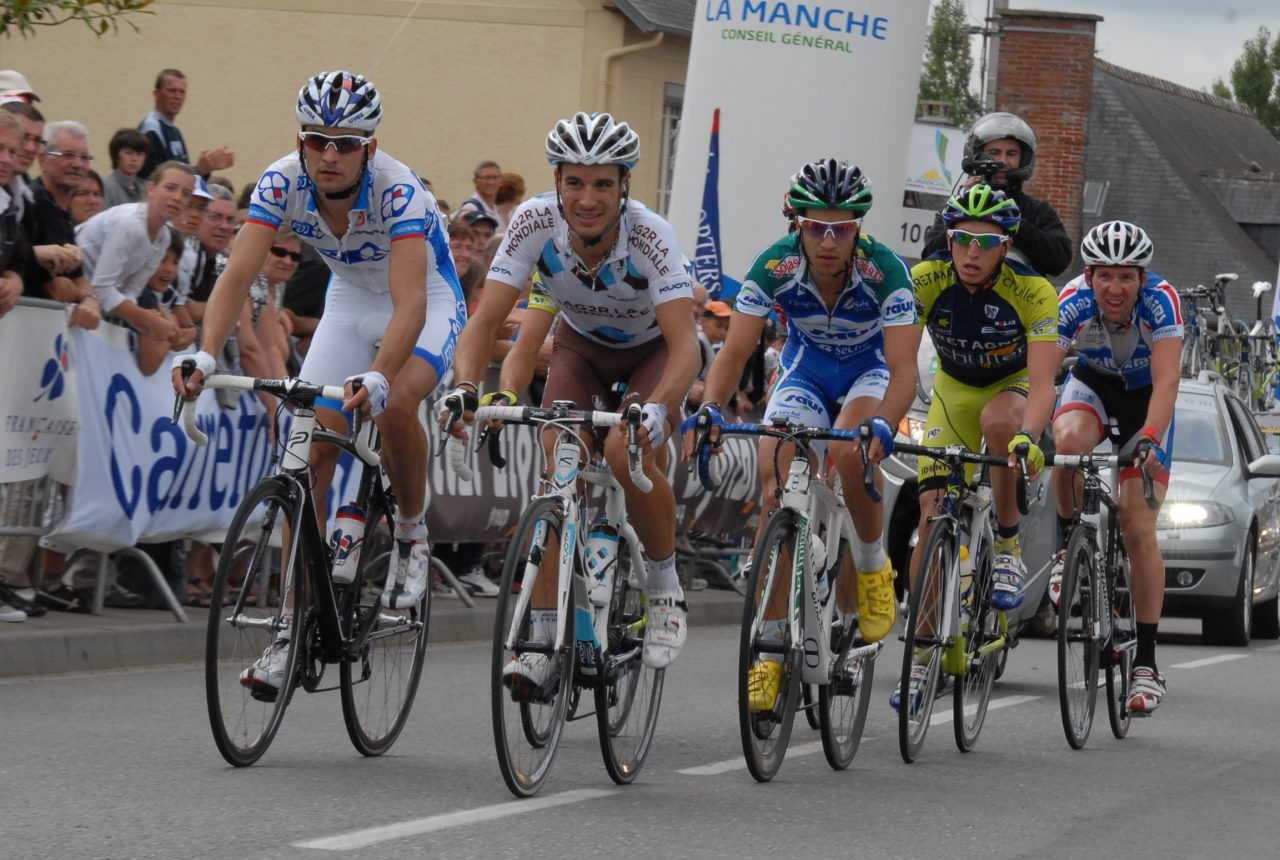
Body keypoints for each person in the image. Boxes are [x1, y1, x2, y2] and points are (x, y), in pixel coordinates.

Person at [172, 70, 463, 697]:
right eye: (318, 140)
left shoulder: (399, 192)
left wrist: (382, 375)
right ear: (300, 141)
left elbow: (412, 304)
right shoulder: (282, 180)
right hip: (349, 301)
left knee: (397, 403)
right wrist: (202, 349)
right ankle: (290, 628)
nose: (330, 154)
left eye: (346, 142)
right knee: (307, 448)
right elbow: (236, 275)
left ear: (370, 149)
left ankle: (411, 531)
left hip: (424, 301)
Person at [443, 111, 698, 686]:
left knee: (622, 453)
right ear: (556, 180)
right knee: (557, 465)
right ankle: (540, 632)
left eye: (603, 183)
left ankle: (663, 586)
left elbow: (688, 350)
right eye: (575, 182)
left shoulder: (651, 234)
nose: (587, 198)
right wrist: (468, 389)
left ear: (624, 184)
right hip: (580, 350)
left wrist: (658, 407)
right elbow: (485, 323)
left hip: (651, 354)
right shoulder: (533, 222)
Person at [687, 159, 918, 711]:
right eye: (817, 226)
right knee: (774, 477)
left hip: (869, 371)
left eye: (842, 226)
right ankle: (767, 654)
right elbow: (735, 350)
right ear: (798, 222)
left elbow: (905, 370)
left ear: (859, 224)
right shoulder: (775, 264)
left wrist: (883, 420)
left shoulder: (885, 270)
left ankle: (869, 563)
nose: (830, 240)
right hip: (807, 371)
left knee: (846, 448)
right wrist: (712, 408)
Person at [898, 183, 1059, 710]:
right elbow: (896, 362)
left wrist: (1029, 437)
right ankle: (921, 661)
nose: (971, 254)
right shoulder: (926, 279)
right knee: (930, 516)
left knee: (999, 424)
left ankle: (1007, 543)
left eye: (986, 244)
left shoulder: (1032, 290)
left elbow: (1041, 385)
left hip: (1009, 391)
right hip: (951, 393)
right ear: (949, 238)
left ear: (1007, 245)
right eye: (962, 240)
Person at [1051, 220, 1179, 714]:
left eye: (1127, 276)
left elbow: (1168, 381)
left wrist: (1149, 436)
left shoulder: (1163, 301)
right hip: (1094, 387)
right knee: (1066, 447)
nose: (1115, 288)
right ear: (1089, 276)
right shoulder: (1073, 302)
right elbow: (1043, 373)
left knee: (1137, 525)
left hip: (1148, 400)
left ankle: (1145, 663)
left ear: (1142, 279)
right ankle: (1068, 543)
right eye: (1105, 276)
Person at [920, 111, 1072, 277]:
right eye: (994, 153)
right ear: (976, 155)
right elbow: (930, 255)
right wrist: (962, 210)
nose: (1003, 161)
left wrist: (1011, 219)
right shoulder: (955, 205)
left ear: (1024, 159)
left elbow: (1059, 261)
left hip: (1019, 299)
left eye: (1011, 154)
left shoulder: (1038, 211)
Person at [77, 160, 193, 362]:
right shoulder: (129, 224)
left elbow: (131, 289)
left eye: (186, 193)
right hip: (74, 290)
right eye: (170, 188)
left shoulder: (164, 236)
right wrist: (147, 319)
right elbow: (102, 288)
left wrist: (141, 318)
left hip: (90, 303)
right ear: (151, 188)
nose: (177, 198)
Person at [138, 68, 235, 180]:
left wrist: (206, 169)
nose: (178, 96)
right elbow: (157, 181)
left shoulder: (175, 131)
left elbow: (184, 185)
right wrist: (199, 169)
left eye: (182, 92)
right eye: (172, 91)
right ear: (156, 94)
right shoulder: (151, 128)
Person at [102, 128, 150, 209]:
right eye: (128, 153)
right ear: (116, 156)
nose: (134, 159)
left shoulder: (146, 188)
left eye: (139, 154)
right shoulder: (106, 186)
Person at [455, 159, 504, 230]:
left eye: (495, 177)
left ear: (501, 181)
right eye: (486, 178)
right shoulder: (471, 208)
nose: (491, 182)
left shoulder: (497, 209)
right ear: (475, 181)